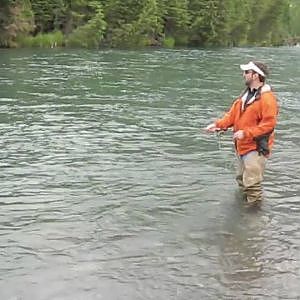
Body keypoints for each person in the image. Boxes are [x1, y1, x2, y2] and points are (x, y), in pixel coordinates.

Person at [205, 61, 278, 203]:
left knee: (252, 185)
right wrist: (217, 125)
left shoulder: (267, 99)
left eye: (246, 72)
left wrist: (246, 133)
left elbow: (269, 125)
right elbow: (231, 116)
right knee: (241, 179)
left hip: (256, 148)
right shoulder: (244, 96)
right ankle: (245, 208)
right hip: (242, 146)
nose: (243, 75)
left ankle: (254, 216)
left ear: (256, 75)